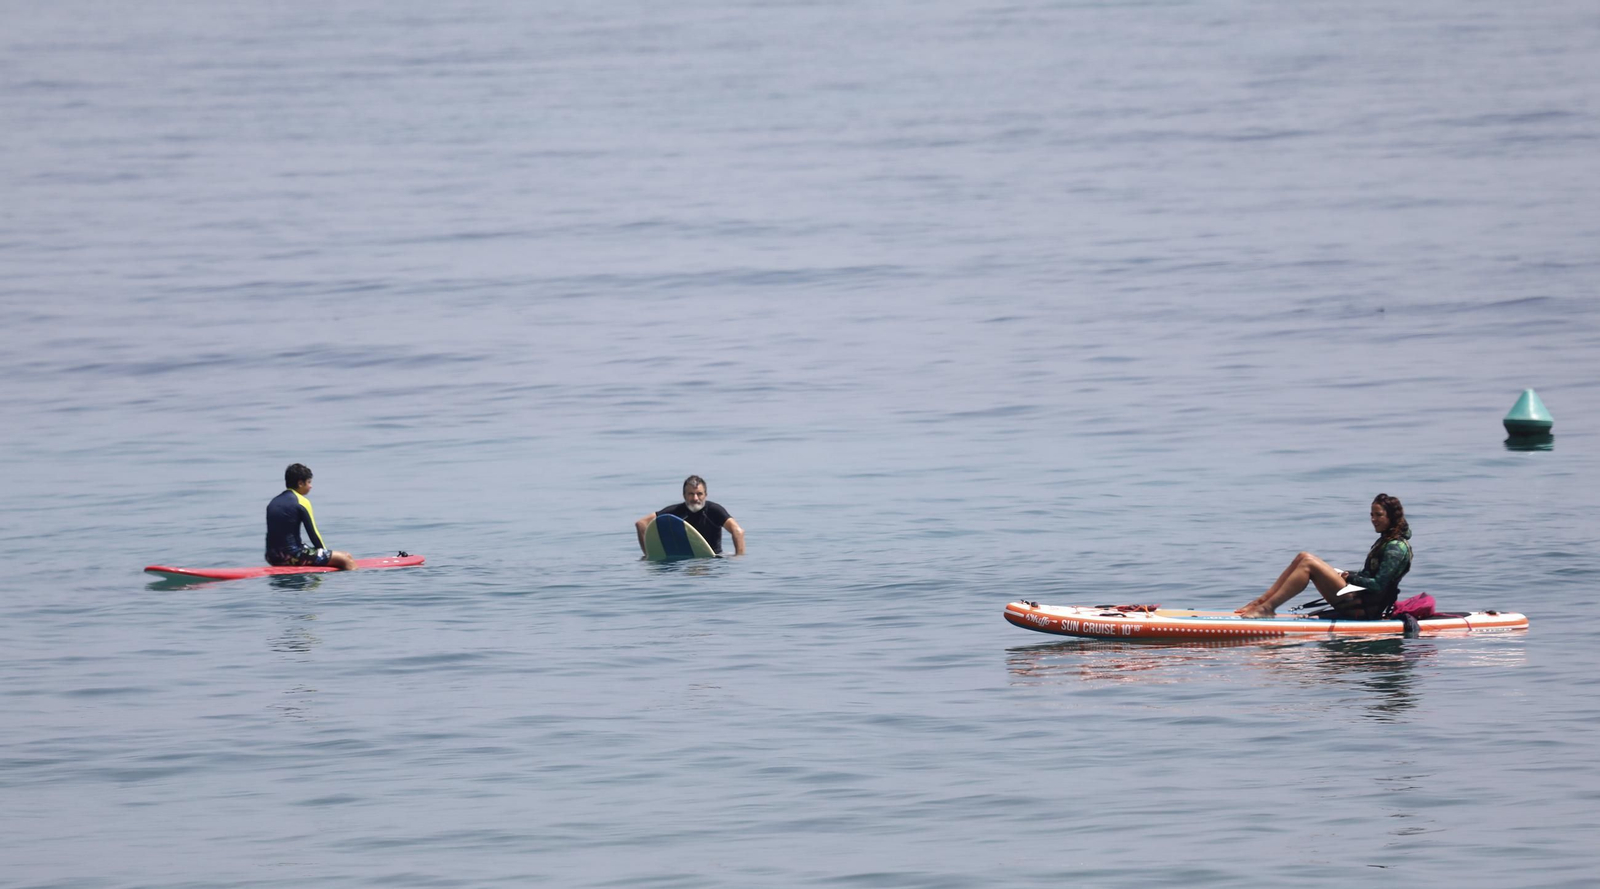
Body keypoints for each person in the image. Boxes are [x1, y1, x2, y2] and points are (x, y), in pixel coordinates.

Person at [1236, 493, 1413, 619]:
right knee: (1303, 556)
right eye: (1372, 515)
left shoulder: (1395, 548)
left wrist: (1349, 577)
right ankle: (1260, 603)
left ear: (1392, 517)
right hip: (1358, 597)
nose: (1373, 519)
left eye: (1379, 515)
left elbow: (1378, 585)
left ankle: (1267, 608)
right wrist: (1349, 575)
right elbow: (1371, 576)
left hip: (1364, 609)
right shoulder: (1387, 541)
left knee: (1308, 564)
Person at [265, 463, 357, 570]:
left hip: (272, 557)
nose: (311, 486)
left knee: (345, 554)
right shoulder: (301, 501)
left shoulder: (273, 502)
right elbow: (313, 533)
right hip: (292, 556)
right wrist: (324, 554)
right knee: (346, 559)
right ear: (300, 483)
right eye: (309, 482)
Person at [635, 475, 746, 556]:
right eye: (691, 494)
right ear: (684, 495)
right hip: (684, 562)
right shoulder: (675, 511)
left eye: (699, 494)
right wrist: (648, 554)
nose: (695, 498)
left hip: (714, 559)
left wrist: (738, 557)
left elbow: (738, 531)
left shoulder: (714, 510)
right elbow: (641, 523)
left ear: (706, 495)